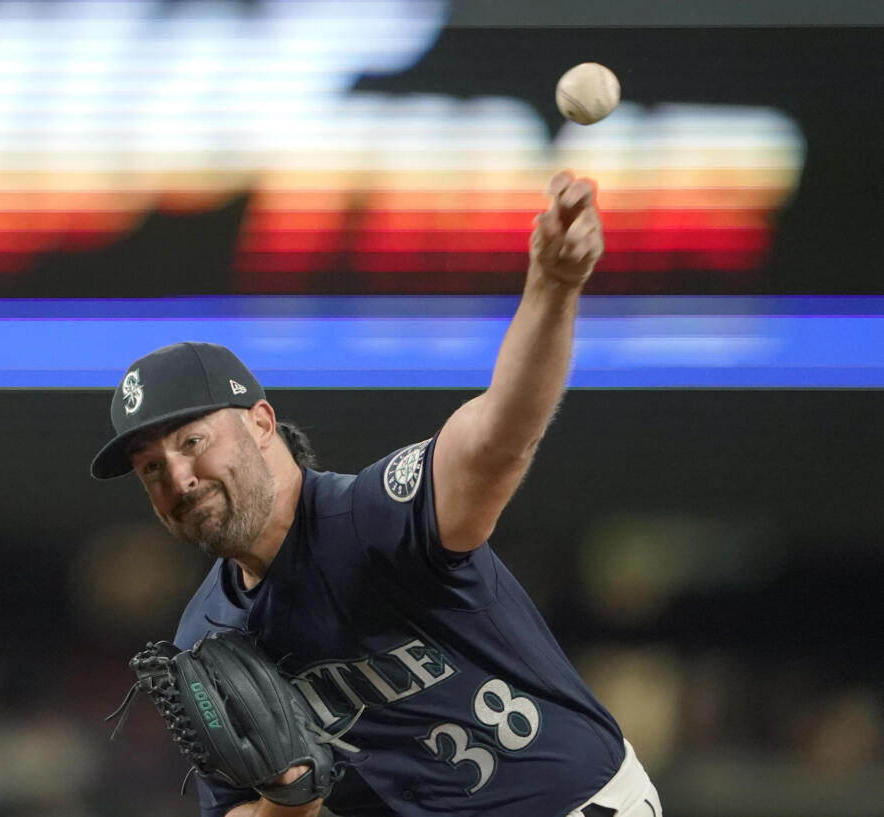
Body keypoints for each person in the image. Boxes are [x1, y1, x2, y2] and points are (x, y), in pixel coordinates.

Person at [90, 171, 662, 817]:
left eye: (191, 441)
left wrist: (553, 288)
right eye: (150, 468)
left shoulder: (370, 517)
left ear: (260, 423)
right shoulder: (206, 635)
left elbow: (499, 435)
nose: (177, 477)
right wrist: (289, 796)